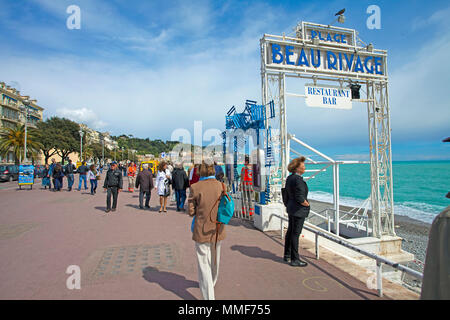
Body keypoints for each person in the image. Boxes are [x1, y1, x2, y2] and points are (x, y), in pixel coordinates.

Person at [188, 161, 226, 300]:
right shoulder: (221, 185)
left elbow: (191, 212)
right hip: (218, 228)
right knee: (215, 260)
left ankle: (209, 296)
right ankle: (212, 282)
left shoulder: (195, 187)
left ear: (200, 171)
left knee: (204, 262)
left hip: (201, 229)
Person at [283, 157, 310, 267]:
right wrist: (306, 203)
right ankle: (295, 259)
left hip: (291, 208)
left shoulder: (290, 178)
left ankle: (287, 255)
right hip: (298, 210)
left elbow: (287, 193)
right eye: (303, 166)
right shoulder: (298, 180)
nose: (304, 168)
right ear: (297, 168)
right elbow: (299, 196)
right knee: (295, 233)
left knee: (290, 232)